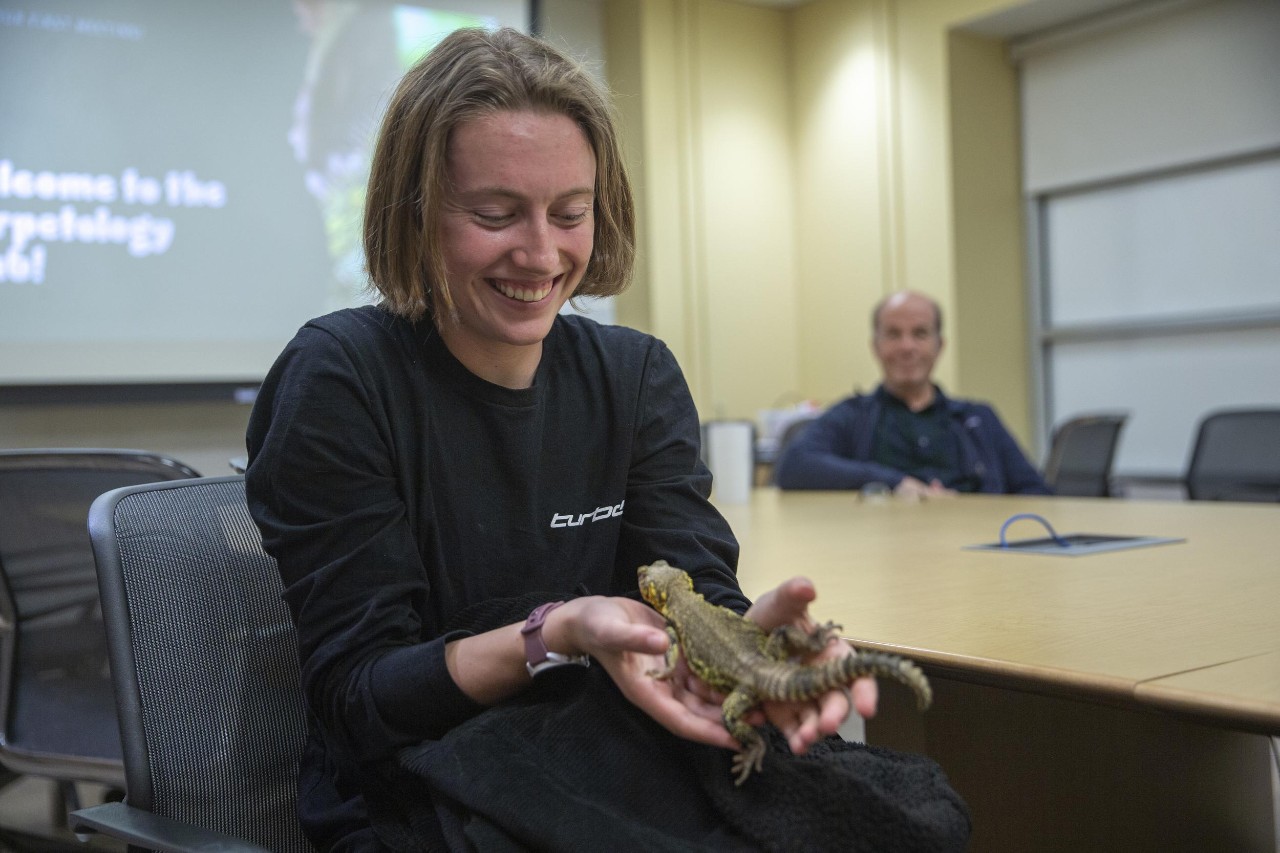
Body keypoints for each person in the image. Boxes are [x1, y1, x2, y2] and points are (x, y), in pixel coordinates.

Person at [246, 28, 968, 851]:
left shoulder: (635, 376)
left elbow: (696, 594)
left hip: (616, 752)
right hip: (419, 784)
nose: (541, 253)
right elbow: (360, 700)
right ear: (416, 213)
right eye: (495, 214)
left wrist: (746, 641)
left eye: (570, 213)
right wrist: (552, 635)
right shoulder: (341, 379)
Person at [774, 290, 1051, 497]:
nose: (907, 347)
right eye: (893, 335)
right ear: (876, 346)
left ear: (939, 345)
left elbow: (1037, 494)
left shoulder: (978, 419)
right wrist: (895, 483)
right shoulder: (853, 416)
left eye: (920, 334)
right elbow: (794, 465)